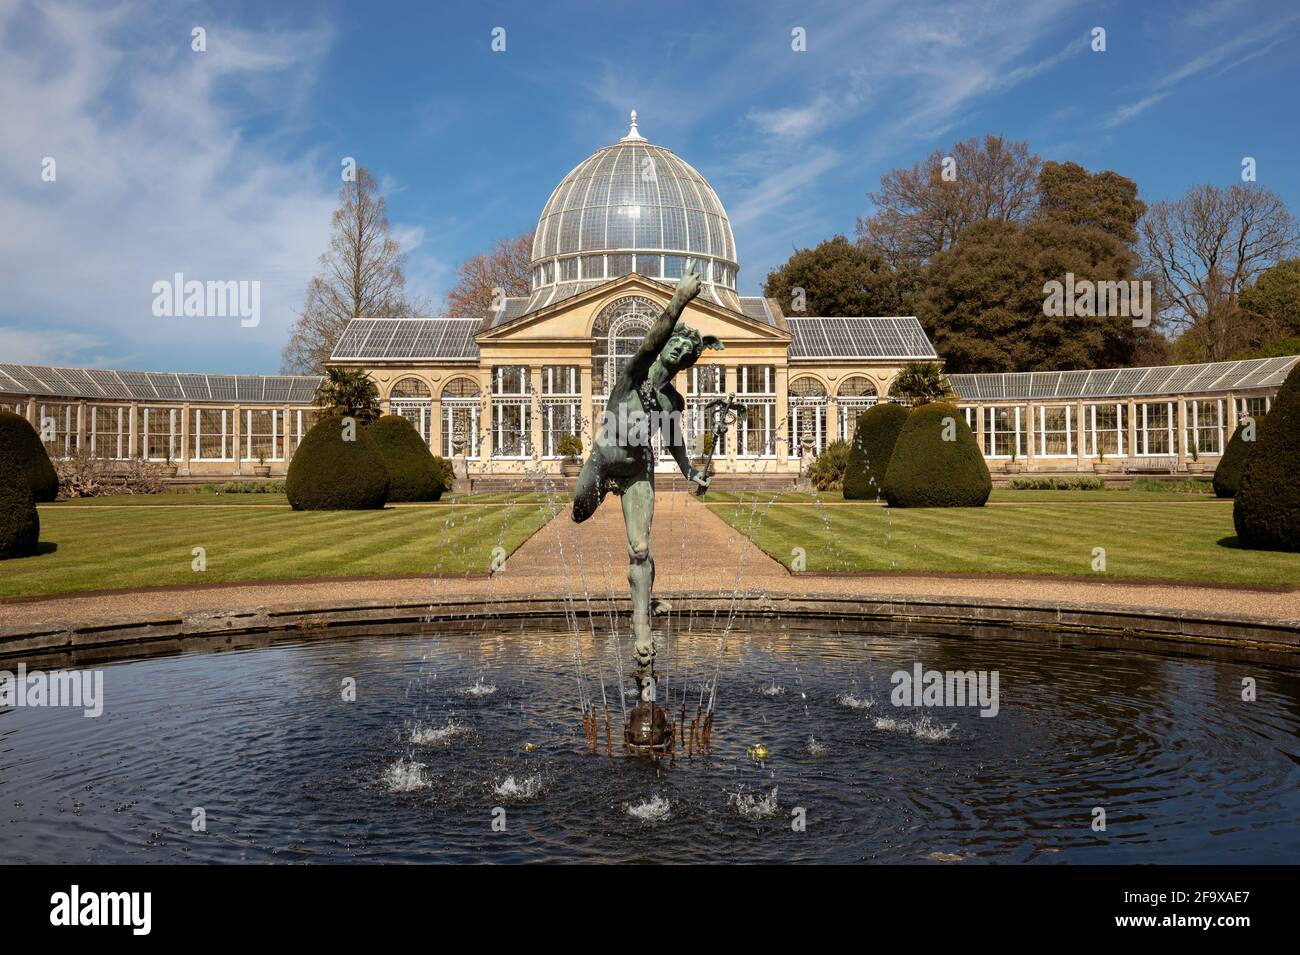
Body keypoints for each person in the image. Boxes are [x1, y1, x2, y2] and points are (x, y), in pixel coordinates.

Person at [572, 261, 723, 669]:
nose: (679, 354)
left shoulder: (673, 401)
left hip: (639, 470)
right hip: (603, 463)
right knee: (578, 514)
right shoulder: (633, 374)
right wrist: (677, 300)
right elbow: (650, 343)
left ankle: (642, 627)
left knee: (640, 549)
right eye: (677, 346)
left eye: (687, 355)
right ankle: (644, 599)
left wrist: (691, 471)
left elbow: (673, 441)